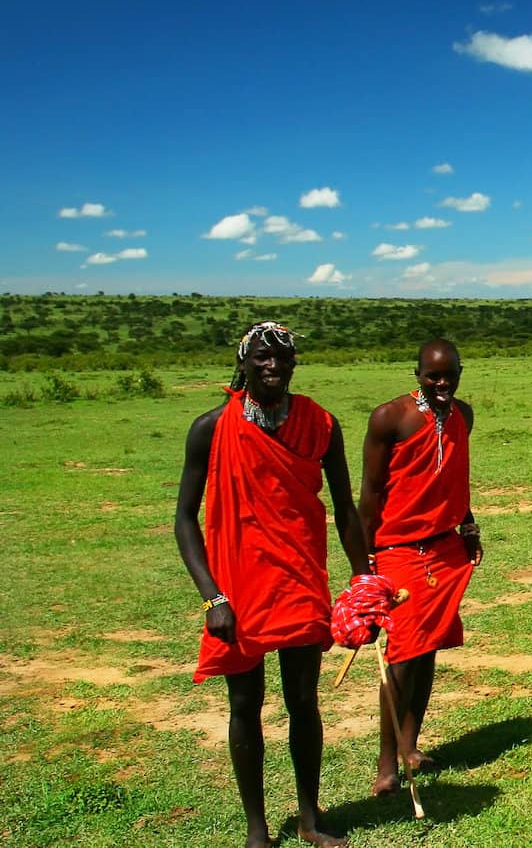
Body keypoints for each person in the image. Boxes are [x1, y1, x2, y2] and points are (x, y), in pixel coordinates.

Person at [175, 322, 369, 848]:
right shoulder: (211, 428)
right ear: (244, 362)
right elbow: (185, 520)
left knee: (304, 701)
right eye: (262, 357)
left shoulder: (321, 424)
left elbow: (346, 508)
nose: (273, 366)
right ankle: (257, 830)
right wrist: (212, 596)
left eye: (283, 357)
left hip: (301, 579)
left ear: (294, 363)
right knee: (245, 705)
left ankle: (310, 818)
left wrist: (364, 578)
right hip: (238, 589)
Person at [359, 338, 481, 796]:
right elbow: (370, 493)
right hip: (398, 548)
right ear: (417, 375)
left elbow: (454, 479)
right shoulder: (390, 417)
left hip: (446, 548)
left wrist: (467, 526)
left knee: (427, 648)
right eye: (433, 376)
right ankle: (387, 766)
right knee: (404, 655)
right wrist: (364, 565)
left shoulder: (463, 416)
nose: (443, 383)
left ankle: (410, 746)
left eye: (450, 373)